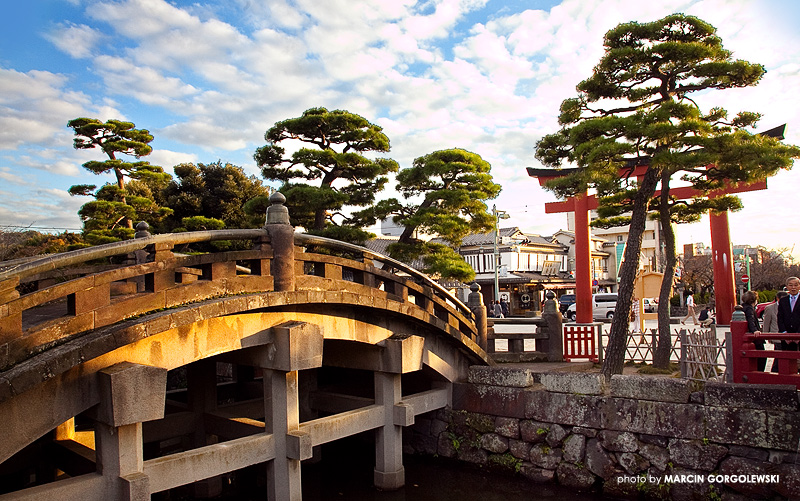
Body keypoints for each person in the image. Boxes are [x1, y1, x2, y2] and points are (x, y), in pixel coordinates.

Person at [763, 291, 788, 372]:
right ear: (777, 299)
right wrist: (766, 335)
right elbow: (767, 322)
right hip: (776, 335)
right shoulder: (770, 308)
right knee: (779, 355)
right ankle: (775, 371)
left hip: (788, 335)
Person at [741, 290, 765, 371]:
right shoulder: (749, 309)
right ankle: (759, 373)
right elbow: (750, 320)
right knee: (761, 355)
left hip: (744, 335)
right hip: (753, 338)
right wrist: (754, 330)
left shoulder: (742, 307)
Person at [777, 276, 800, 351]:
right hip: (786, 336)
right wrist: (785, 334)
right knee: (786, 359)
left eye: (796, 285)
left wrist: (798, 335)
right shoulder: (783, 301)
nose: (793, 287)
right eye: (790, 285)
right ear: (786, 286)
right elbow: (780, 318)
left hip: (799, 334)